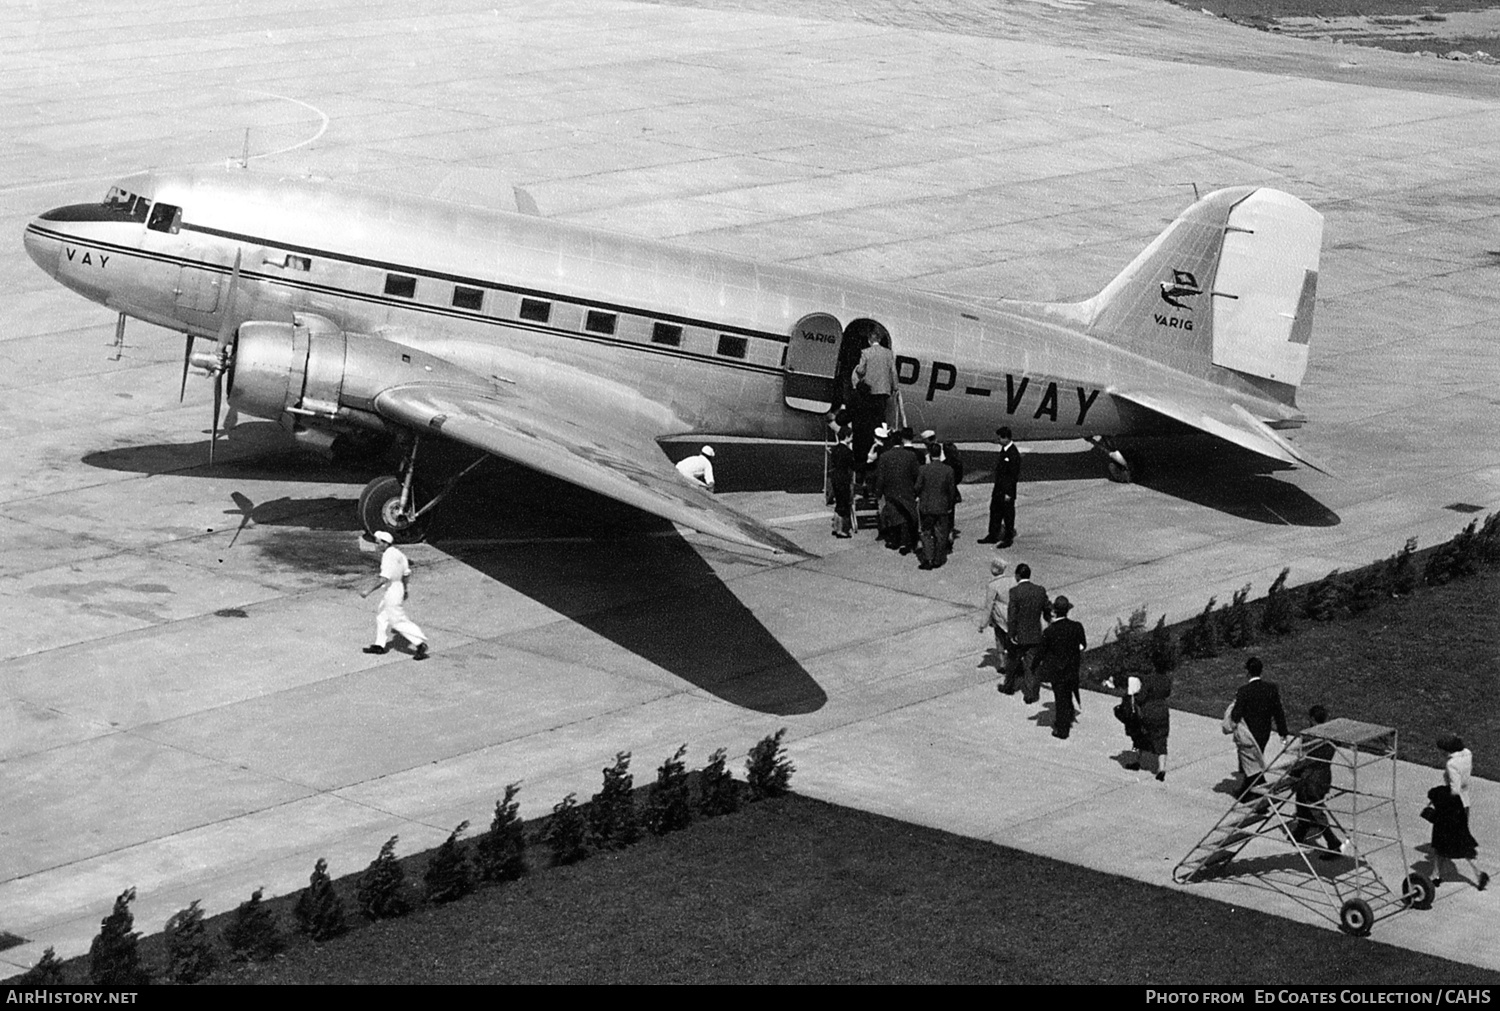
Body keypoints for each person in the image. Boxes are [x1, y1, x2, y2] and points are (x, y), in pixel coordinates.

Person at [1425, 735, 1490, 890]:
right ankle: (1478, 872)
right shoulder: (1468, 753)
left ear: (1446, 750)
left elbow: (1454, 790)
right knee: (1462, 840)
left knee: (1441, 843)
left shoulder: (1451, 764)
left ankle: (1435, 876)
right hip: (1465, 804)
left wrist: (1437, 795)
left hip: (1452, 807)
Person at [1285, 705, 1344, 859]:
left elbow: (1305, 758)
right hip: (1324, 774)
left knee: (1313, 808)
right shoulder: (1332, 735)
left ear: (1312, 719)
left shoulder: (1310, 735)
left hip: (1310, 776)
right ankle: (1300, 831)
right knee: (1302, 803)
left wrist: (1292, 770)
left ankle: (1333, 843)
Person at [361, 530, 429, 660]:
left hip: (392, 590)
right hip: (398, 588)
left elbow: (383, 579)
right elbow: (406, 574)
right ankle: (379, 645)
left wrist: (367, 591)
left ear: (385, 544)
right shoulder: (399, 554)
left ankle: (419, 643)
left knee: (397, 621)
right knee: (382, 616)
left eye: (378, 543)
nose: (376, 545)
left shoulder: (387, 556)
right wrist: (405, 589)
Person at [1033, 595, 1087, 738]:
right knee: (1068, 693)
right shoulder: (1076, 626)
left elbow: (1041, 652)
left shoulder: (1050, 631)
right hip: (1072, 668)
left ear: (1054, 612)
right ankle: (1068, 717)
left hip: (1057, 671)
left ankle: (1062, 730)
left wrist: (1034, 666)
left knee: (1061, 699)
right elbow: (1083, 645)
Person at [1003, 562, 1051, 699]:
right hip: (1035, 634)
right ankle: (1031, 694)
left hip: (1019, 635)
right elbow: (1047, 608)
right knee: (1032, 665)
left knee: (1012, 662)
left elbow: (1012, 616)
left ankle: (1009, 687)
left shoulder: (1014, 592)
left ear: (1017, 576)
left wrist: (1011, 634)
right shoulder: (1040, 590)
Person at [1230, 656, 1289, 761]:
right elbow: (1278, 712)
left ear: (1248, 672)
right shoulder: (1271, 689)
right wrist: (1282, 731)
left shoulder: (1243, 691)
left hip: (1248, 732)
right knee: (1257, 756)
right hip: (1264, 731)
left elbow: (1236, 715)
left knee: (1248, 762)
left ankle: (1253, 776)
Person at [873, 428, 920, 555]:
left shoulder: (884, 457)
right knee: (906, 516)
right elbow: (916, 474)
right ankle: (907, 542)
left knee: (893, 515)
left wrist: (878, 492)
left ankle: (894, 541)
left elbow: (881, 477)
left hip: (891, 491)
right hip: (907, 490)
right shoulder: (911, 456)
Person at [914, 440, 957, 569]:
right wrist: (949, 506)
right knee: (941, 534)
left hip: (927, 507)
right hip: (942, 507)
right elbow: (951, 491)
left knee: (926, 533)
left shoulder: (923, 469)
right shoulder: (948, 470)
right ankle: (939, 559)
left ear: (929, 454)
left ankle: (928, 559)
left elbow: (917, 487)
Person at [978, 426, 1020, 547]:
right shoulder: (1005, 450)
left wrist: (1009, 493)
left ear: (1006, 438)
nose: (998, 440)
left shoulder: (1012, 453)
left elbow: (1013, 476)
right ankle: (992, 535)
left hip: (1006, 491)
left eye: (999, 438)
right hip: (999, 490)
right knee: (995, 512)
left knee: (1007, 516)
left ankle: (1007, 539)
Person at [853, 331, 897, 435]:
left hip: (870, 390)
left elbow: (861, 370)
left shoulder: (865, 352)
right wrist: (895, 386)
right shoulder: (888, 353)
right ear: (880, 340)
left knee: (870, 416)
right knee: (881, 415)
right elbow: (894, 371)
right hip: (883, 390)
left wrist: (857, 368)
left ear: (869, 341)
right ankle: (882, 435)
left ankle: (871, 435)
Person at [1221, 701, 1268, 800]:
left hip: (1245, 741)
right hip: (1258, 736)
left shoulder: (1237, 708)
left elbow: (1227, 727)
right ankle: (1245, 792)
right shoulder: (1257, 706)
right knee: (1253, 767)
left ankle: (1251, 795)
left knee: (1251, 769)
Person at [977, 555, 1009, 672]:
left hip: (1000, 617)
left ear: (995, 569)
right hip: (1013, 614)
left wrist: (983, 624)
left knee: (1000, 639)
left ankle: (1002, 663)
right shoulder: (1012, 580)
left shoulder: (992, 585)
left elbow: (988, 606)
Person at [828, 428, 856, 538]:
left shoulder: (834, 449)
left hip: (835, 477)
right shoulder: (847, 451)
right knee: (843, 504)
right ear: (847, 436)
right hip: (843, 478)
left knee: (838, 502)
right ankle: (840, 530)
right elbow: (852, 466)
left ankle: (835, 527)